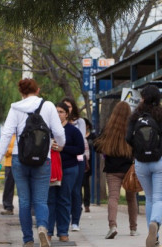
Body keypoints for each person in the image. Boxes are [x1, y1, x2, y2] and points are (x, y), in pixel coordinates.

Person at [0, 78, 66, 247]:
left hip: (19, 158)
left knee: (24, 201)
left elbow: (7, 133)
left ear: (21, 93)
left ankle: (28, 240)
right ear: (37, 90)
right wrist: (60, 145)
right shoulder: (48, 106)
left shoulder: (15, 108)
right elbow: (59, 132)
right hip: (43, 159)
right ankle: (42, 227)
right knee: (40, 201)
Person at [125, 85, 162, 247]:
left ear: (143, 98)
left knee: (149, 198)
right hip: (160, 161)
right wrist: (161, 149)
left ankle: (153, 235)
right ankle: (155, 223)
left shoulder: (135, 116)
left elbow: (128, 138)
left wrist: (140, 150)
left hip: (141, 163)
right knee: (159, 198)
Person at [94, 101, 138, 239]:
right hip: (129, 169)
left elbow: (96, 146)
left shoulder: (108, 128)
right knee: (131, 199)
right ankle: (133, 228)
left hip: (112, 169)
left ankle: (112, 226)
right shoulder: (132, 128)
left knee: (113, 197)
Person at [46, 102, 85, 243]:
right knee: (50, 200)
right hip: (51, 169)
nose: (58, 114)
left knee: (64, 200)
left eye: (61, 111)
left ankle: (63, 231)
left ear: (67, 114)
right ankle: (48, 232)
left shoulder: (73, 131)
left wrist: (63, 148)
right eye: (56, 111)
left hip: (69, 169)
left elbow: (80, 149)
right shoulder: (48, 130)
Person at [61, 97, 87, 231]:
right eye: (64, 107)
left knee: (76, 190)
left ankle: (75, 220)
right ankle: (64, 218)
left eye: (69, 107)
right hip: (62, 160)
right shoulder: (57, 123)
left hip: (78, 159)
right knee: (64, 191)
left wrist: (63, 145)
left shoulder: (79, 122)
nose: (67, 110)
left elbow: (80, 140)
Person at [81, 119, 96, 213]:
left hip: (88, 162)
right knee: (78, 184)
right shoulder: (78, 134)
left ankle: (87, 204)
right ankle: (79, 202)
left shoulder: (92, 136)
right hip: (80, 160)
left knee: (86, 184)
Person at [1, 135, 17, 216]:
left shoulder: (21, 132)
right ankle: (8, 207)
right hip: (9, 164)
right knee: (8, 186)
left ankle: (29, 209)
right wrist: (13, 150)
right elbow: (3, 150)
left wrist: (9, 150)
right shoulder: (8, 135)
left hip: (20, 164)